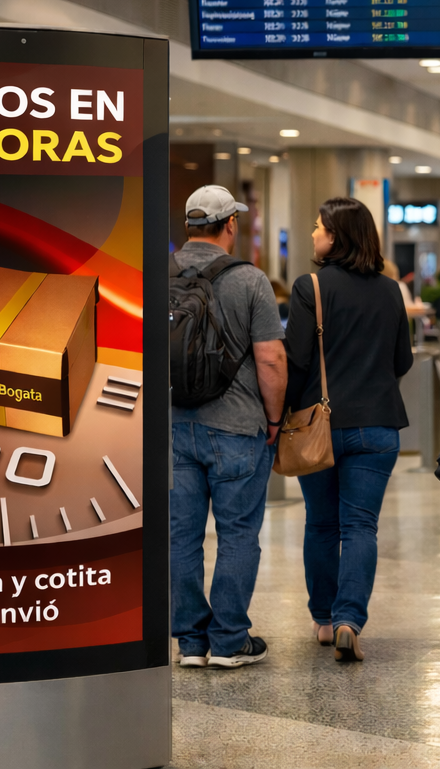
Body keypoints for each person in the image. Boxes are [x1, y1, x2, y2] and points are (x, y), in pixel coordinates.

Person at [285, 197, 414, 663]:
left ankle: (323, 620)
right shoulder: (391, 290)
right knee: (361, 525)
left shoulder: (311, 287)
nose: (313, 234)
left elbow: (297, 361)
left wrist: (281, 416)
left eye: (318, 227)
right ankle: (348, 621)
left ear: (336, 236)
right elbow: (402, 360)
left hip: (319, 424)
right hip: (377, 424)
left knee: (321, 523)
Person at [171, 185, 288, 669]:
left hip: (173, 427)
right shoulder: (250, 280)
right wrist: (274, 419)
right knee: (238, 533)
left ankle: (190, 643)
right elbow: (271, 358)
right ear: (230, 225)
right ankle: (228, 640)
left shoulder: (156, 276)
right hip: (238, 427)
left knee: (180, 536)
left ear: (188, 225)